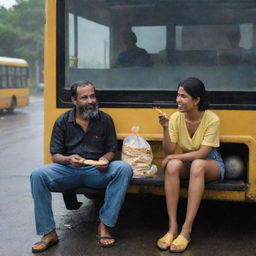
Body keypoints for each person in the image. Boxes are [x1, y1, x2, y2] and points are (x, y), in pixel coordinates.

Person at [30, 80, 133, 253]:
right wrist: (69, 159)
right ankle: (48, 233)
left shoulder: (105, 119)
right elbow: (55, 155)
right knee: (37, 175)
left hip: (97, 171)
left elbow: (111, 150)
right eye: (84, 97)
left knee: (124, 168)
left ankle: (105, 225)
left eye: (92, 96)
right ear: (75, 101)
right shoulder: (62, 121)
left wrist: (105, 159)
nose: (90, 101)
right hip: (69, 170)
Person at [156, 77, 225, 253]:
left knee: (198, 165)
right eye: (178, 95)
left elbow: (202, 154)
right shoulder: (176, 118)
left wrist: (174, 158)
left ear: (196, 100)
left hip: (211, 162)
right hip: (188, 161)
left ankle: (186, 230)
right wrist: (165, 127)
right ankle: (172, 228)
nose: (178, 100)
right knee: (172, 167)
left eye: (184, 96)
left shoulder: (212, 119)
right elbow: (170, 151)